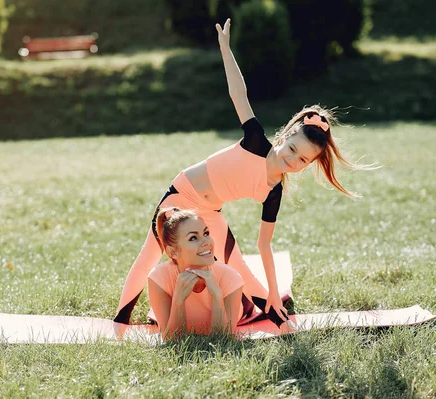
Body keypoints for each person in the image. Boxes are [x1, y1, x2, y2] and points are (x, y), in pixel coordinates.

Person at [115, 18, 365, 327]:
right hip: (181, 197)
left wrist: (273, 293)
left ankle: (274, 315)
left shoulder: (274, 191)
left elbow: (264, 246)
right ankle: (119, 322)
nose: (293, 160)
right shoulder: (256, 141)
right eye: (292, 150)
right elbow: (238, 94)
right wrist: (225, 48)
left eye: (302, 160)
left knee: (239, 269)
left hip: (208, 211)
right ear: (284, 138)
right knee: (150, 256)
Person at [148, 207, 244, 339]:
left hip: (242, 307)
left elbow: (223, 340)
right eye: (193, 238)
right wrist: (178, 300)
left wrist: (216, 295)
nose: (206, 242)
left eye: (206, 233)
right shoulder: (158, 278)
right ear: (173, 252)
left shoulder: (231, 278)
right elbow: (171, 340)